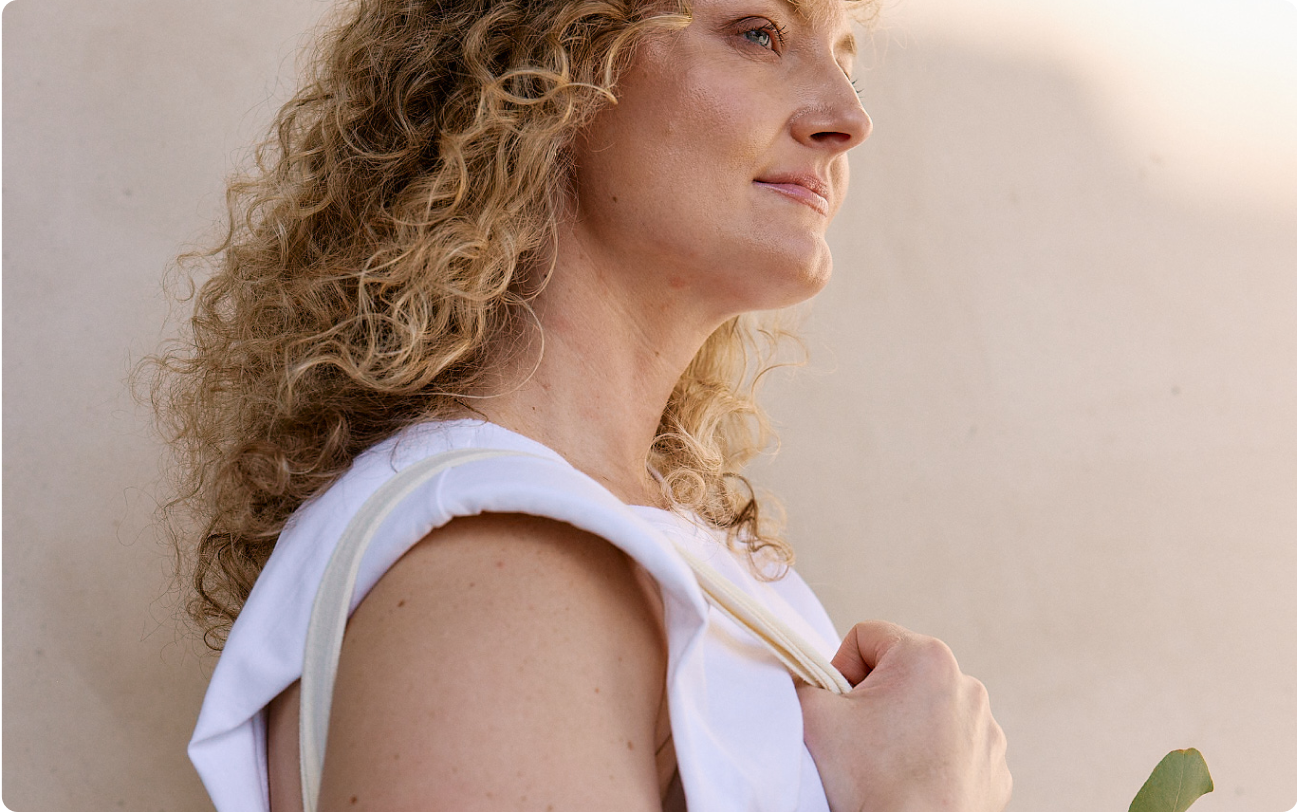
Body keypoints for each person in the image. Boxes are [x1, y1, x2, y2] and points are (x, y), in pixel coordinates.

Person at [154, 0, 1012, 809]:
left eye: (846, 63)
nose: (848, 118)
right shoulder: (501, 569)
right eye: (759, 32)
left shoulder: (613, 544)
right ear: (546, 66)